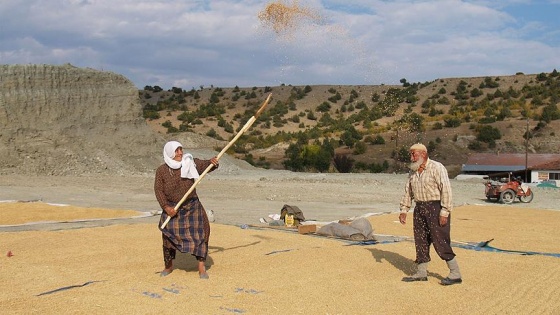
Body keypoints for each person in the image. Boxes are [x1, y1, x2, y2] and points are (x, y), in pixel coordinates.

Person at [398, 143, 462, 285]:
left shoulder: (437, 167)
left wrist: (444, 212)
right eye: (411, 154)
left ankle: (455, 273)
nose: (411, 157)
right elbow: (408, 192)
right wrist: (404, 210)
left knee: (440, 240)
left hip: (436, 208)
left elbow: (446, 190)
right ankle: (421, 272)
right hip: (420, 208)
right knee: (420, 239)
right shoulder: (413, 171)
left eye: (414, 154)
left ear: (423, 154)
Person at [154, 140, 219, 279]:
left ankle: (201, 267)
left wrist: (212, 163)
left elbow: (206, 165)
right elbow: (158, 190)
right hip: (173, 209)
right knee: (167, 237)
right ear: (169, 153)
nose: (180, 153)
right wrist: (166, 207)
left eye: (181, 149)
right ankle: (168, 266)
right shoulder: (162, 171)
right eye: (176, 151)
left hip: (192, 206)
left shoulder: (190, 162)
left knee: (202, 234)